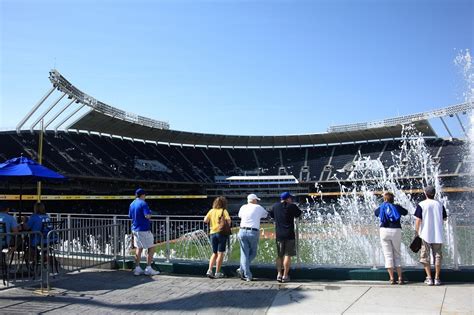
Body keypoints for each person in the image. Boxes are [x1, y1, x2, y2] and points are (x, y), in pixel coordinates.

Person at [414, 186, 447, 286]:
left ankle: (429, 278)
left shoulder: (422, 204)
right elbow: (444, 219)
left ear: (425, 193)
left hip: (425, 234)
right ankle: (437, 278)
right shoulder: (440, 204)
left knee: (425, 256)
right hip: (438, 234)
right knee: (437, 256)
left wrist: (416, 232)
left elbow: (418, 220)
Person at [374, 192, 408, 284]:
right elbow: (406, 212)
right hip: (396, 230)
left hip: (384, 231)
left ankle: (392, 278)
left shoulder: (381, 207)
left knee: (388, 255)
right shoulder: (396, 207)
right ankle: (400, 278)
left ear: (384, 199)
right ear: (393, 199)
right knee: (397, 253)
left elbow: (376, 213)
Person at [269, 192, 302, 283]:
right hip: (289, 234)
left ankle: (279, 274)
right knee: (287, 255)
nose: (291, 199)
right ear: (288, 199)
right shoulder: (292, 206)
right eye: (290, 198)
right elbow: (299, 214)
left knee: (279, 255)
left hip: (279, 234)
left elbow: (271, 215)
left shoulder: (275, 206)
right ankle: (285, 275)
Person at [237, 193, 268, 281]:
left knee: (244, 254)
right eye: (256, 200)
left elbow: (240, 216)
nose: (257, 201)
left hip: (242, 231)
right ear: (254, 200)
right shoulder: (258, 207)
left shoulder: (243, 207)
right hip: (253, 232)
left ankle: (242, 269)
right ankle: (247, 275)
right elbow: (265, 215)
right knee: (253, 253)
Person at [129, 188, 159, 276]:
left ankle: (137, 268)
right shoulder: (143, 203)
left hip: (135, 229)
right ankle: (148, 268)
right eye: (145, 195)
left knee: (138, 248)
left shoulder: (132, 203)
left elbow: (130, 216)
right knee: (151, 247)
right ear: (142, 195)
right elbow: (147, 216)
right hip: (144, 229)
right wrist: (150, 214)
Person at [204, 196, 231, 279]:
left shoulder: (211, 211)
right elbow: (229, 221)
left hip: (212, 233)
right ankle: (217, 272)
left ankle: (209, 270)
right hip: (221, 233)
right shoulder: (224, 211)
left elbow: (205, 220)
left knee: (214, 253)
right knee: (220, 253)